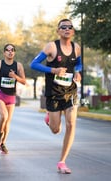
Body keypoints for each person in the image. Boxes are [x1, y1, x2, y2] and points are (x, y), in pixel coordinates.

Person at [30, 19, 82, 174]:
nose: (67, 29)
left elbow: (78, 63)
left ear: (73, 31)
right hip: (53, 93)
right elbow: (33, 64)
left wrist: (78, 71)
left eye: (70, 27)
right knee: (55, 129)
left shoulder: (77, 48)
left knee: (71, 124)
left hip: (70, 92)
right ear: (58, 31)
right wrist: (53, 71)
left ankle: (62, 161)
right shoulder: (51, 47)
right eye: (63, 27)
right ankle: (49, 117)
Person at [0, 44, 26, 154]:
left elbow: (23, 81)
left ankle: (2, 143)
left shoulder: (18, 66)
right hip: (0, 94)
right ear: (4, 53)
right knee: (4, 115)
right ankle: (0, 133)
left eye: (12, 50)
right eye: (7, 50)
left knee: (8, 122)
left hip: (11, 96)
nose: (10, 52)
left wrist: (15, 77)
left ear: (14, 52)